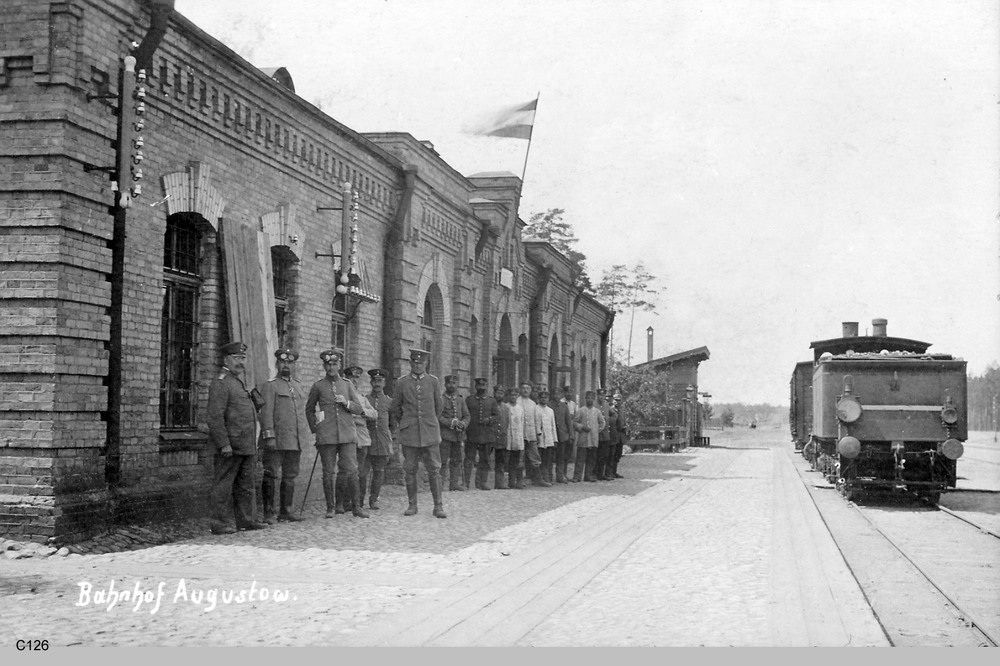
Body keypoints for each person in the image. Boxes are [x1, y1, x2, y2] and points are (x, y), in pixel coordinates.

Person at [206, 341, 267, 534]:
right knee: (223, 486)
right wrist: (224, 444)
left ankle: (246, 520)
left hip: (246, 444)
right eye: (236, 358)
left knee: (246, 485)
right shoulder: (221, 382)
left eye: (243, 358)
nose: (240, 362)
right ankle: (218, 523)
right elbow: (215, 416)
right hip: (230, 446)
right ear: (226, 359)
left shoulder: (239, 382)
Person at [305, 349, 366, 519]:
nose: (331, 367)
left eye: (334, 364)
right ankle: (331, 507)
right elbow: (309, 410)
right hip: (327, 436)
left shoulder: (347, 384)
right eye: (328, 364)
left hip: (347, 434)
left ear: (339, 365)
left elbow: (359, 409)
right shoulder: (318, 386)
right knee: (328, 472)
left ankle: (356, 507)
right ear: (324, 365)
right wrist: (316, 429)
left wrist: (346, 402)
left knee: (352, 470)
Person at [391, 349, 446, 518]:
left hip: (430, 432)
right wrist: (407, 423)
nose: (417, 365)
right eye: (414, 362)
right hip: (410, 433)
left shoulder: (433, 382)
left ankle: (438, 506)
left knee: (434, 469)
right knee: (410, 469)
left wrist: (429, 422)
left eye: (420, 363)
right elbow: (395, 408)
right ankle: (412, 505)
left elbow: (439, 407)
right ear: (410, 363)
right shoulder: (402, 383)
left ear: (425, 364)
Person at [258, 347, 310, 524]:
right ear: (277, 364)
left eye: (289, 362)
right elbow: (266, 413)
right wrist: (269, 436)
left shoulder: (297, 386)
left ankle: (286, 511)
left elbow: (300, 414)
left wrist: (304, 437)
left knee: (290, 475)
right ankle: (268, 513)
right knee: (271, 474)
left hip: (295, 440)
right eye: (282, 362)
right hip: (277, 440)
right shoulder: (270, 385)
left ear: (294, 364)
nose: (286, 365)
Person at [340, 365, 377, 517]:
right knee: (346, 471)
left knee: (360, 472)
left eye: (356, 378)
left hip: (362, 438)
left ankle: (358, 502)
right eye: (351, 377)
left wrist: (361, 411)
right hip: (347, 437)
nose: (354, 380)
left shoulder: (362, 398)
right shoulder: (342, 397)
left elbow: (374, 414)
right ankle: (344, 503)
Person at [363, 368, 394, 510]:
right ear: (371, 382)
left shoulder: (389, 402)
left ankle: (374, 499)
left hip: (381, 441)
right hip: (366, 440)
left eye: (380, 381)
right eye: (375, 381)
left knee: (378, 471)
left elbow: (393, 424)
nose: (377, 384)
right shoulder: (365, 400)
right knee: (363, 472)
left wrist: (389, 440)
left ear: (384, 383)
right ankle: (359, 499)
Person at [465, 378, 500, 490]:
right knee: (469, 458)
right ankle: (466, 482)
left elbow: (497, 416)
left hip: (486, 435)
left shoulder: (492, 401)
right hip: (472, 434)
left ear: (486, 386)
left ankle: (482, 482)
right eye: (479, 385)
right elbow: (464, 415)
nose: (481, 387)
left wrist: (489, 420)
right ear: (475, 386)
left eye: (483, 385)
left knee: (484, 459)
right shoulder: (469, 400)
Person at [438, 374, 470, 491]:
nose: (451, 385)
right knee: (443, 460)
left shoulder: (460, 399)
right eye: (449, 383)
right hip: (445, 435)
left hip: (458, 436)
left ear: (457, 385)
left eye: (454, 383)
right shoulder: (441, 399)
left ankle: (454, 483)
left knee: (456, 460)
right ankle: (440, 484)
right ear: (445, 384)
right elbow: (438, 417)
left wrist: (463, 424)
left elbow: (467, 415)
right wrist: (451, 422)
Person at [516, 381, 549, 487]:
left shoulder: (533, 404)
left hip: (531, 435)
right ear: (520, 389)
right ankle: (519, 480)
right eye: (524, 388)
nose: (525, 390)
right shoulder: (517, 402)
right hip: (519, 435)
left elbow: (536, 420)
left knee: (535, 457)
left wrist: (538, 433)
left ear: (530, 390)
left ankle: (538, 479)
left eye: (528, 388)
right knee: (520, 457)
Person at [572, 391, 606, 483]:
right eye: (588, 398)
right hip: (583, 439)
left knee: (591, 459)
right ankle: (577, 476)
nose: (590, 400)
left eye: (591, 398)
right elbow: (574, 422)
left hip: (593, 439)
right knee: (580, 459)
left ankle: (588, 475)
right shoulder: (581, 410)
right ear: (585, 399)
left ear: (594, 399)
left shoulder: (597, 411)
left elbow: (602, 422)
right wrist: (581, 427)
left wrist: (597, 430)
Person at [552, 385, 574, 484]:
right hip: (551, 436)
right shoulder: (548, 405)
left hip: (562, 435)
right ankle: (548, 476)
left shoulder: (564, 406)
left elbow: (568, 422)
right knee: (549, 457)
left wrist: (571, 435)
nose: (556, 396)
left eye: (558, 394)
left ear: (561, 395)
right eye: (555, 393)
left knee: (561, 457)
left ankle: (560, 476)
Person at [536, 387, 558, 485]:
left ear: (548, 399)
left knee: (548, 460)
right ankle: (540, 479)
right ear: (539, 398)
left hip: (549, 439)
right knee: (540, 460)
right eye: (542, 397)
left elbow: (553, 425)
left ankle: (548, 478)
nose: (544, 399)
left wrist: (555, 439)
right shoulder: (536, 409)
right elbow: (536, 423)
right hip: (540, 439)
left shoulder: (550, 410)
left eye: (546, 398)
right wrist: (537, 434)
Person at [506, 386, 526, 489]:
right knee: (510, 461)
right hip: (509, 437)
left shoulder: (520, 409)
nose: (513, 397)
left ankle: (519, 480)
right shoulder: (505, 407)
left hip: (518, 437)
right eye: (511, 395)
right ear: (508, 396)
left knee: (519, 460)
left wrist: (522, 437)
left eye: (515, 395)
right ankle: (511, 481)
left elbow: (522, 424)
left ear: (518, 396)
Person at [493, 385, 511, 490]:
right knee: (486, 460)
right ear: (494, 393)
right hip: (491, 436)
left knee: (500, 461)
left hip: (502, 437)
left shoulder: (506, 407)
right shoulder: (490, 404)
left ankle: (499, 482)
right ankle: (482, 482)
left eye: (501, 393)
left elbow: (507, 422)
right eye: (497, 393)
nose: (499, 395)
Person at [594, 388, 613, 481]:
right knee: (595, 455)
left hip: (605, 435)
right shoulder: (594, 405)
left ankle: (601, 474)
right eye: (600, 395)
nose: (602, 397)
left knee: (604, 455)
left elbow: (614, 414)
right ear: (597, 395)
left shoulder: (606, 405)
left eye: (603, 396)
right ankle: (594, 474)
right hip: (596, 434)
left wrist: (610, 420)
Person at [610, 393, 627, 479]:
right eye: (616, 400)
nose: (618, 402)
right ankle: (610, 472)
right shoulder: (611, 410)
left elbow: (623, 421)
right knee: (612, 454)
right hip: (614, 434)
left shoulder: (622, 410)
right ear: (613, 400)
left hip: (620, 435)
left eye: (619, 400)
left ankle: (614, 471)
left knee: (618, 454)